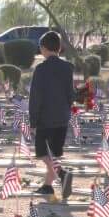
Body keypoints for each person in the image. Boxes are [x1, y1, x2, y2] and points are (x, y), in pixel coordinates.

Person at [29, 31, 74, 197]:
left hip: (45, 119)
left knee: (43, 153)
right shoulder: (67, 68)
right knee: (53, 154)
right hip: (62, 118)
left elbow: (36, 97)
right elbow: (71, 94)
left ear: (43, 48)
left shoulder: (40, 69)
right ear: (59, 48)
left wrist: (33, 121)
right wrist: (66, 111)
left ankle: (62, 174)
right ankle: (47, 186)